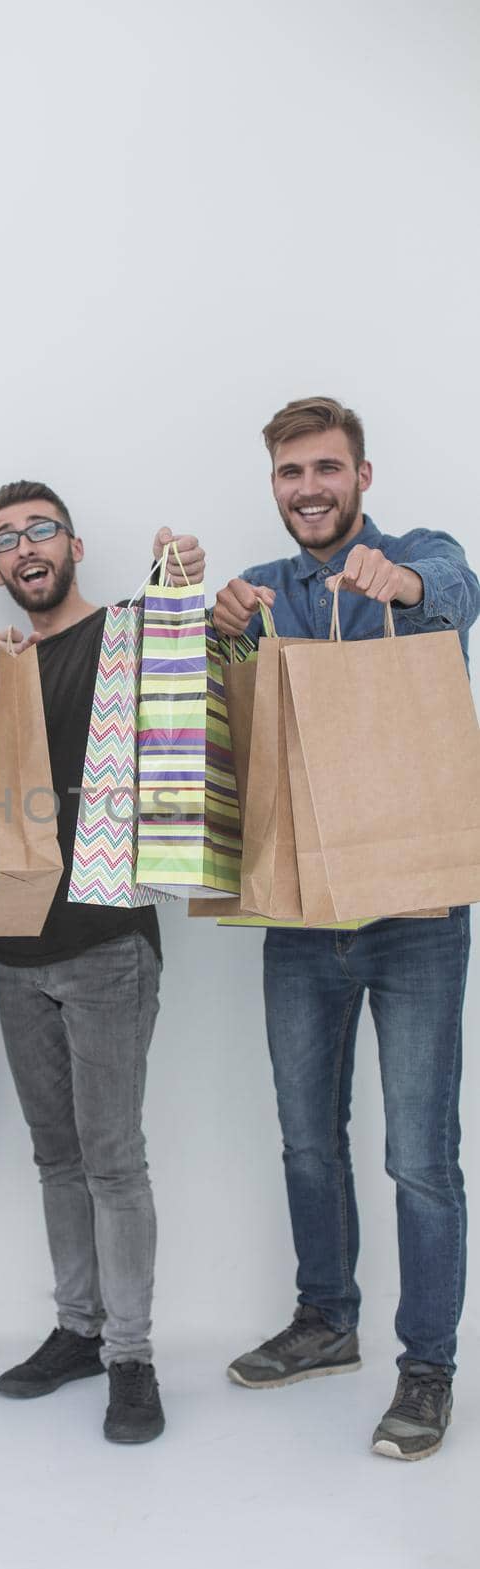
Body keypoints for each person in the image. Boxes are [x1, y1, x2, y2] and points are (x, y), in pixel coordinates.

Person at [213, 395, 480, 1462]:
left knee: (418, 1153)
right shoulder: (265, 591)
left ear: (360, 477)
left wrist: (404, 585)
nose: (308, 488)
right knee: (305, 1139)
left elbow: (461, 594)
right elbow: (226, 719)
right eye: (290, 473)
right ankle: (324, 1320)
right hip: (297, 910)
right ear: (273, 485)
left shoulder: (417, 556)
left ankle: (426, 1365)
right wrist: (210, 625)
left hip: (413, 915)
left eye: (326, 469)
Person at [0, 480, 204, 1444]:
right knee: (55, 1155)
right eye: (4, 539)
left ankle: (132, 1357)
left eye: (39, 531)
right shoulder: (1, 677)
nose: (24, 547)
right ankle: (76, 1329)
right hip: (13, 949)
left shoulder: (128, 637)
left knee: (112, 1159)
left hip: (107, 944)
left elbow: (198, 670)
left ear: (73, 544)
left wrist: (184, 583)